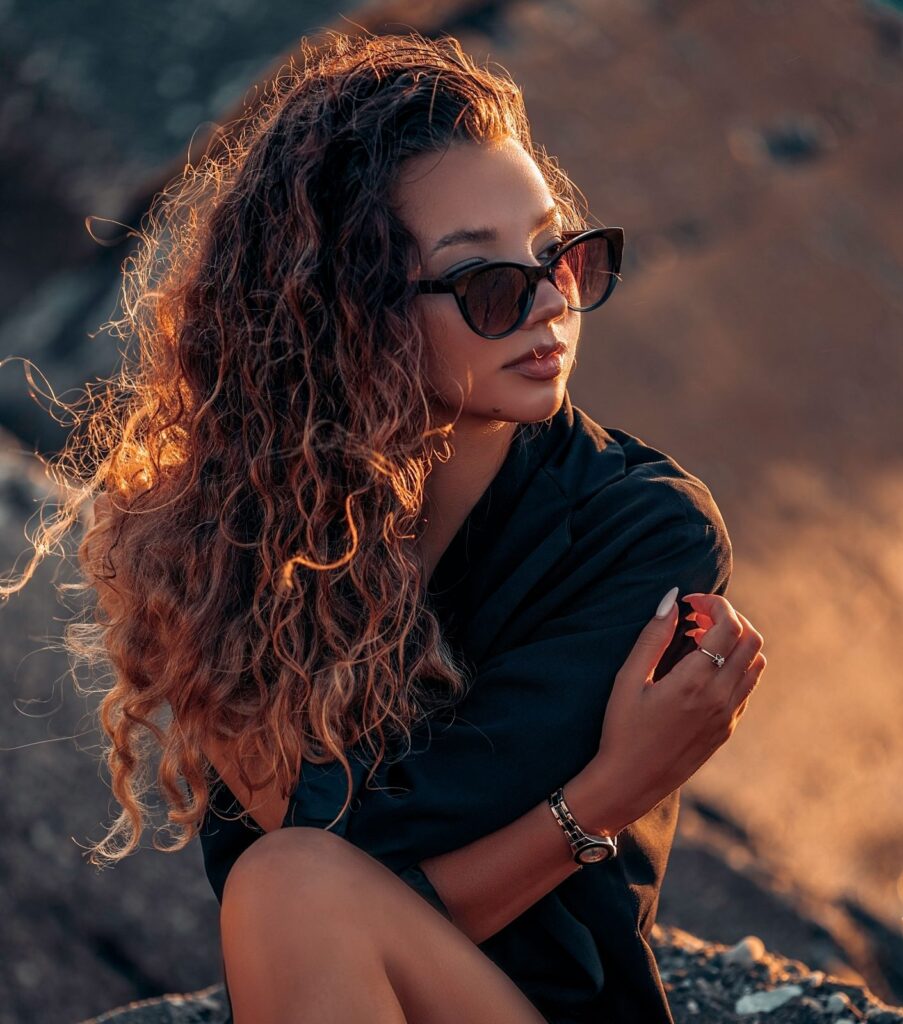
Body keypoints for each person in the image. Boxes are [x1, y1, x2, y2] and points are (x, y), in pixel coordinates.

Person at [4, 30, 766, 1024]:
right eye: (486, 284)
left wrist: (574, 813)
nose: (547, 305)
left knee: (290, 884)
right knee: (295, 881)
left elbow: (360, 877)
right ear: (354, 308)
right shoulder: (227, 533)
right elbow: (358, 865)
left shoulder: (641, 531)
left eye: (559, 255)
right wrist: (605, 796)